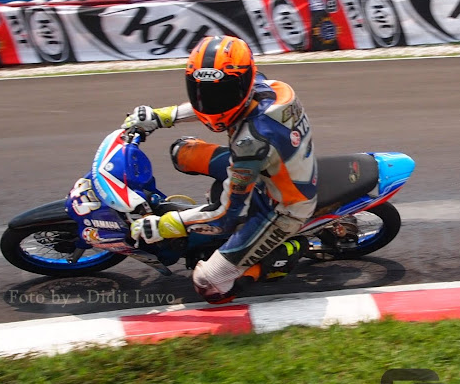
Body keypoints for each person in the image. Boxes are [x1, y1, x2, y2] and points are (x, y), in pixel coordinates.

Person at [122, 35, 317, 304]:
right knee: (183, 152)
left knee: (209, 285)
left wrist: (166, 225)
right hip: (269, 166)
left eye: (221, 94)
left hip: (283, 205)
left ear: (244, 84)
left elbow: (226, 215)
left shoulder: (251, 140)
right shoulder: (260, 86)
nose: (212, 104)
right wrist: (163, 116)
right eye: (202, 93)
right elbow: (215, 101)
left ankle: (285, 252)